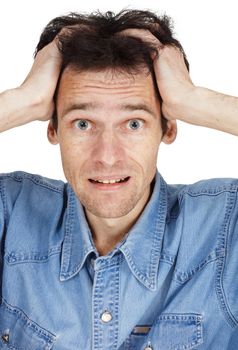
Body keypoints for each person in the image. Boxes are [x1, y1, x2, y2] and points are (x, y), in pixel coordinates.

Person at [0, 9, 238, 350]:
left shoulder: (226, 228)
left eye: (134, 123)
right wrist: (22, 99)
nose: (107, 156)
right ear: (52, 128)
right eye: (83, 123)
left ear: (168, 126)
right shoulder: (10, 213)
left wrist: (194, 100)